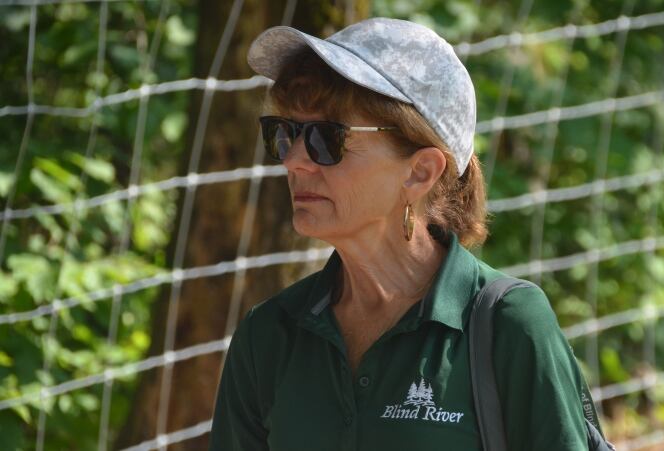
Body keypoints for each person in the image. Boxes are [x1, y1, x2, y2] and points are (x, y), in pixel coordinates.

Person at [209, 17, 589, 450]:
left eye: (326, 139)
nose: (294, 160)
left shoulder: (509, 325)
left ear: (421, 171)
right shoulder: (269, 335)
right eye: (285, 133)